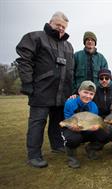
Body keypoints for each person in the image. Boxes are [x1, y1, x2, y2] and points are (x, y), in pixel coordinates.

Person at [16, 11, 74, 168]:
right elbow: (24, 60)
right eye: (58, 25)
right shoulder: (35, 37)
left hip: (62, 93)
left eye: (64, 26)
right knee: (37, 123)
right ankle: (34, 155)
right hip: (41, 91)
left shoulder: (68, 45)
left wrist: (71, 91)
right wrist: (27, 82)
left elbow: (70, 71)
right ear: (50, 22)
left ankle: (57, 145)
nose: (61, 28)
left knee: (57, 123)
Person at [62, 81, 112, 168]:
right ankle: (72, 157)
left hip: (88, 128)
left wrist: (96, 127)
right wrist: (72, 127)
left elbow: (95, 121)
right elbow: (68, 121)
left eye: (91, 94)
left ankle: (91, 148)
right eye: (85, 92)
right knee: (73, 138)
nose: (88, 96)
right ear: (79, 91)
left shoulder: (93, 106)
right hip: (73, 129)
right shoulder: (70, 102)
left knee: (107, 133)